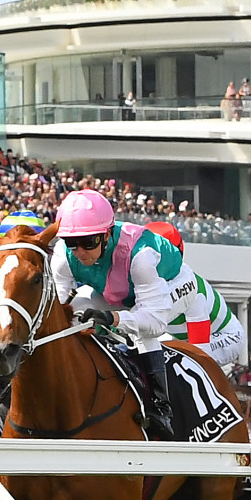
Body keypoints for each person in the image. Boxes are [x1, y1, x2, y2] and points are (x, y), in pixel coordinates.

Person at [52, 188, 187, 441]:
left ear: (106, 234)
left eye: (88, 242)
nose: (79, 252)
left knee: (141, 334)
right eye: (72, 243)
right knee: (77, 308)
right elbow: (57, 307)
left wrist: (114, 320)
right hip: (118, 289)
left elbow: (156, 324)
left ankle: (160, 408)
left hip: (170, 284)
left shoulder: (142, 257)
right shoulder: (62, 256)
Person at [148, 220, 247, 373]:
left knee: (181, 367)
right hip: (184, 338)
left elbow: (200, 355)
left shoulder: (191, 291)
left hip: (224, 337)